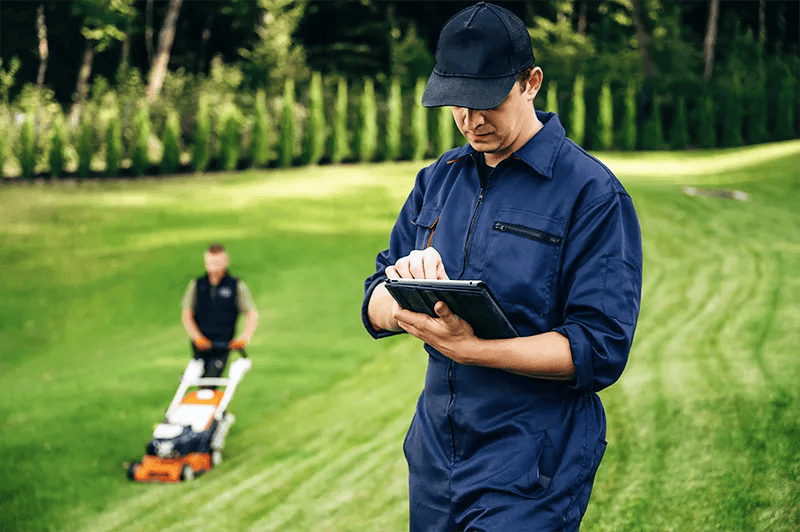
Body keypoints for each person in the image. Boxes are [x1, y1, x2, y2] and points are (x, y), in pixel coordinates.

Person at [361, 3, 642, 531]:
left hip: (533, 464)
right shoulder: (436, 180)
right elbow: (374, 297)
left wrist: (474, 349)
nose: (471, 120)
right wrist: (407, 297)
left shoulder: (592, 194)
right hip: (435, 460)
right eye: (456, 104)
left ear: (530, 83)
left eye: (487, 100)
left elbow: (598, 348)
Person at [182, 244, 258, 380]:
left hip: (223, 344)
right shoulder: (197, 285)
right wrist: (197, 337)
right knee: (194, 377)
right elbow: (187, 314)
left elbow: (251, 313)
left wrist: (244, 338)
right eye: (210, 262)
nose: (213, 266)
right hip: (200, 345)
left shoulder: (236, 286)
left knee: (210, 381)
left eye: (217, 262)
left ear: (225, 261)